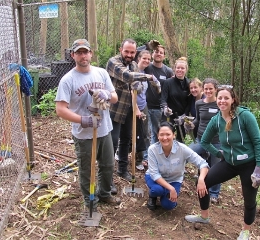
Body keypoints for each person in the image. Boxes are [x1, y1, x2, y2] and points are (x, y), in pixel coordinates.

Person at [184, 85, 260, 240]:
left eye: (226, 98)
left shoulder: (245, 116)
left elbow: (258, 143)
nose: (222, 101)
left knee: (249, 199)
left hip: (248, 164)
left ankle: (246, 231)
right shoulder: (216, 120)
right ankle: (204, 216)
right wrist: (219, 153)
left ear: (232, 99)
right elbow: (205, 141)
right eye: (220, 98)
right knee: (203, 183)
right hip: (228, 162)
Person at [55, 39, 120, 209]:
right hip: (84, 135)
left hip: (104, 130)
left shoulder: (101, 73)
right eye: (79, 53)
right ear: (73, 55)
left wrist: (106, 94)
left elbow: (114, 97)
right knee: (87, 169)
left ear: (91, 53)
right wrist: (84, 120)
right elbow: (61, 109)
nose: (83, 56)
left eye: (86, 52)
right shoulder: (68, 80)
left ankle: (105, 194)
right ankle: (90, 201)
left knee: (107, 165)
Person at [106, 38, 153, 181]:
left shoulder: (133, 64)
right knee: (112, 141)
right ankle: (108, 175)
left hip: (128, 109)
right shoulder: (113, 62)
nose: (129, 54)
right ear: (121, 50)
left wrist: (138, 86)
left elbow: (136, 85)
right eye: (126, 51)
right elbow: (127, 76)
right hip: (114, 109)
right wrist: (148, 77)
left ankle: (122, 169)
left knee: (126, 139)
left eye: (132, 52)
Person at [145, 121, 209, 210]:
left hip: (173, 180)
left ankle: (165, 194)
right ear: (158, 136)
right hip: (154, 178)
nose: (165, 138)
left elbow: (203, 164)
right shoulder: (152, 149)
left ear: (174, 135)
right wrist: (171, 189)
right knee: (156, 190)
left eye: (168, 134)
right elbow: (154, 174)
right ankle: (153, 196)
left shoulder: (182, 149)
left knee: (168, 206)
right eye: (161, 135)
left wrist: (201, 180)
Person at [186, 78, 222, 204]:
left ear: (215, 89)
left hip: (216, 142)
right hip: (200, 140)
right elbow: (198, 120)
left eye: (210, 89)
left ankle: (214, 194)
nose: (208, 91)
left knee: (216, 168)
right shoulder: (199, 103)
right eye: (206, 89)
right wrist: (191, 124)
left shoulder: (220, 104)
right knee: (187, 153)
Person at [145, 45, 174, 145]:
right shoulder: (146, 67)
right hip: (146, 106)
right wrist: (147, 45)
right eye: (156, 51)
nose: (158, 54)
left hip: (160, 108)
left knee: (157, 132)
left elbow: (172, 88)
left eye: (161, 52)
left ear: (164, 56)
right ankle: (146, 157)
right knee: (146, 133)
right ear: (152, 54)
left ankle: (157, 155)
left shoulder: (168, 71)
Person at [160, 57, 191, 143]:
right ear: (174, 69)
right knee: (166, 137)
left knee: (180, 139)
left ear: (186, 70)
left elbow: (189, 102)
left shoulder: (188, 83)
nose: (180, 70)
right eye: (178, 68)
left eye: (182, 68)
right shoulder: (168, 82)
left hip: (181, 117)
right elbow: (163, 99)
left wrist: (184, 115)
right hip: (169, 115)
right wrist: (165, 108)